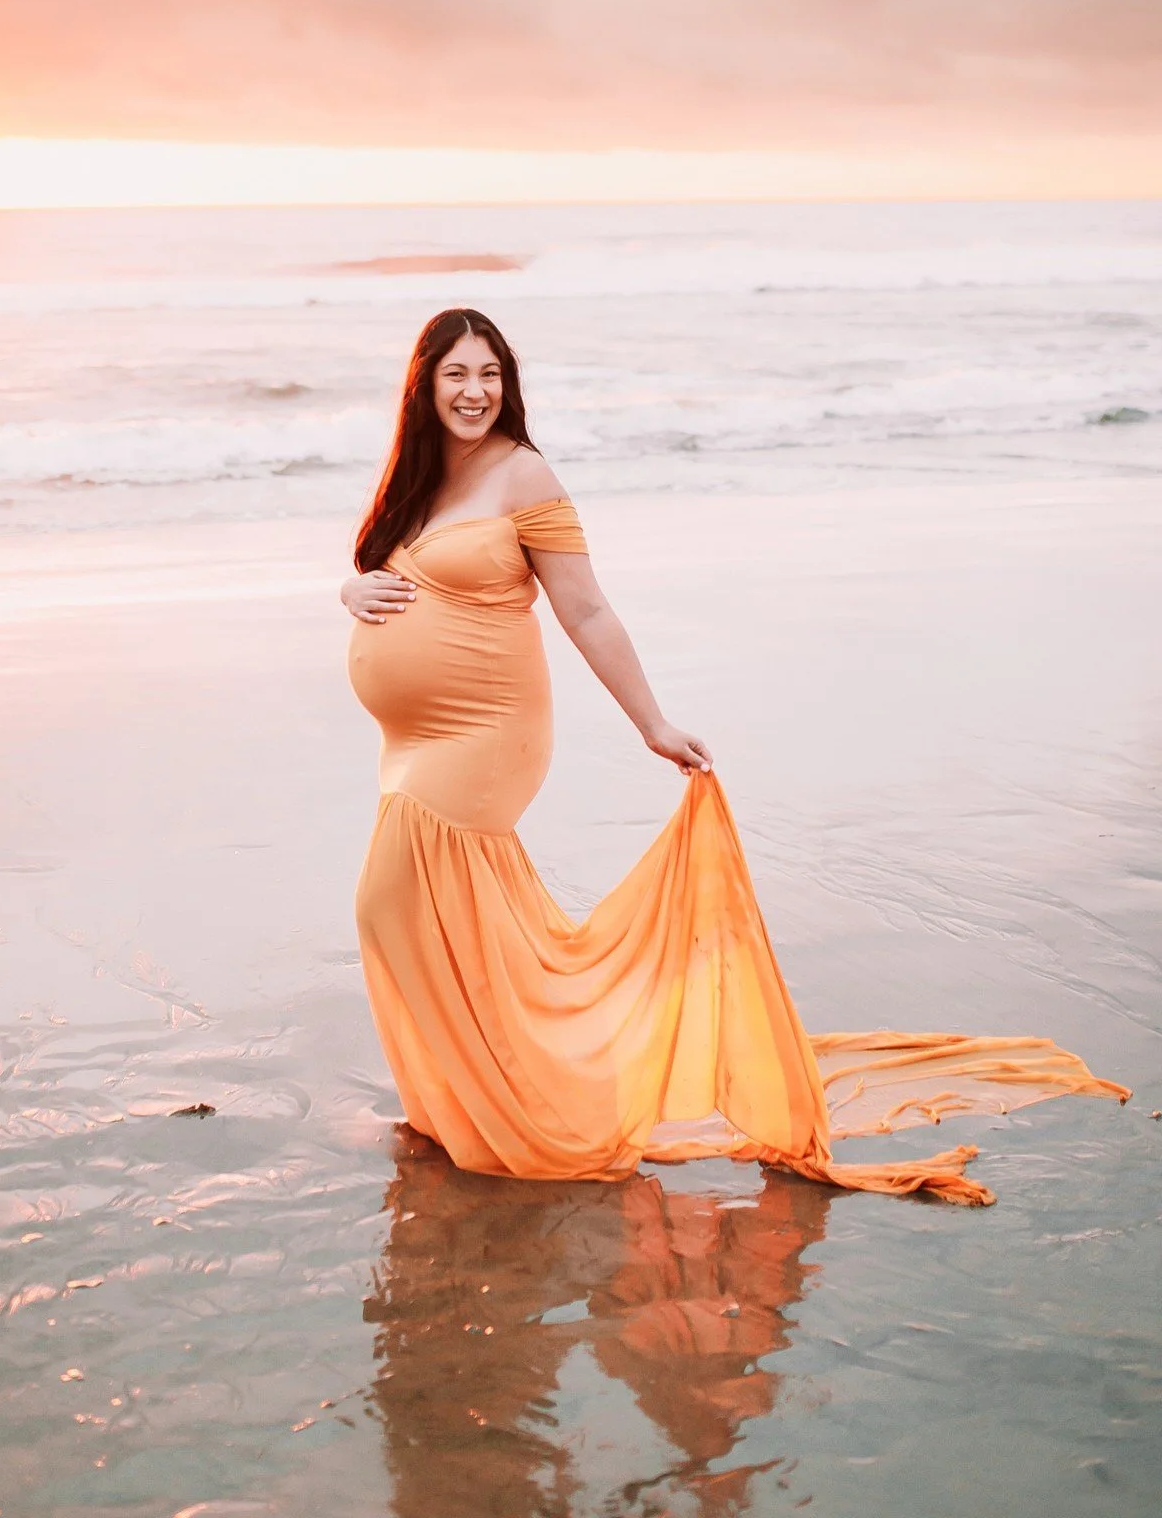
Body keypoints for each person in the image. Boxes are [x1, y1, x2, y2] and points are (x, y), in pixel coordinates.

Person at [343, 309, 1127, 1204]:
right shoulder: (418, 478)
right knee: (442, 922)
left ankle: (505, 1104)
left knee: (386, 903)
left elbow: (586, 610)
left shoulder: (524, 472)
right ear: (424, 385)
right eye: (456, 374)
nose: (475, 390)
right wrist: (349, 590)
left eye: (489, 373)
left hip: (486, 731)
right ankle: (468, 1101)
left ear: (507, 383)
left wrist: (652, 723)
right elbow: (379, 572)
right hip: (408, 741)